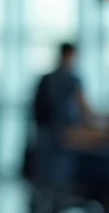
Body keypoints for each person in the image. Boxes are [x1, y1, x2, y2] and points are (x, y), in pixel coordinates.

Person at [31, 42, 94, 192]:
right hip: (64, 138)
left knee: (48, 179)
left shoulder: (47, 79)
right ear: (69, 55)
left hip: (46, 139)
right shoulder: (71, 79)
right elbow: (85, 110)